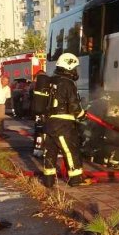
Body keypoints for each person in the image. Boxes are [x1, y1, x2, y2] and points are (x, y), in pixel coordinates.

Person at [40, 53, 92, 188]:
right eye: (74, 68)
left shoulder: (52, 81)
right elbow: (74, 105)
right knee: (70, 150)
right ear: (69, 67)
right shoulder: (67, 83)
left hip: (49, 122)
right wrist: (82, 114)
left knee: (50, 152)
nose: (75, 71)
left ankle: (48, 180)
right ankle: (75, 179)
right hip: (63, 123)